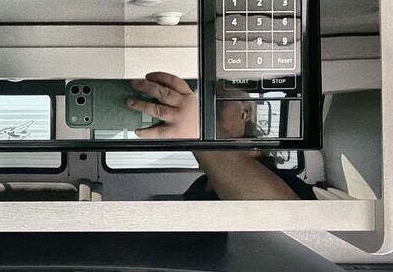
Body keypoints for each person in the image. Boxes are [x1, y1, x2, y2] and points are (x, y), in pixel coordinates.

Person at [124, 71, 313, 201]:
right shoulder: (202, 185)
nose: (203, 108)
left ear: (246, 112)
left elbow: (288, 223)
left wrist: (198, 135)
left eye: (218, 100)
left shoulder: (287, 182)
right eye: (201, 101)